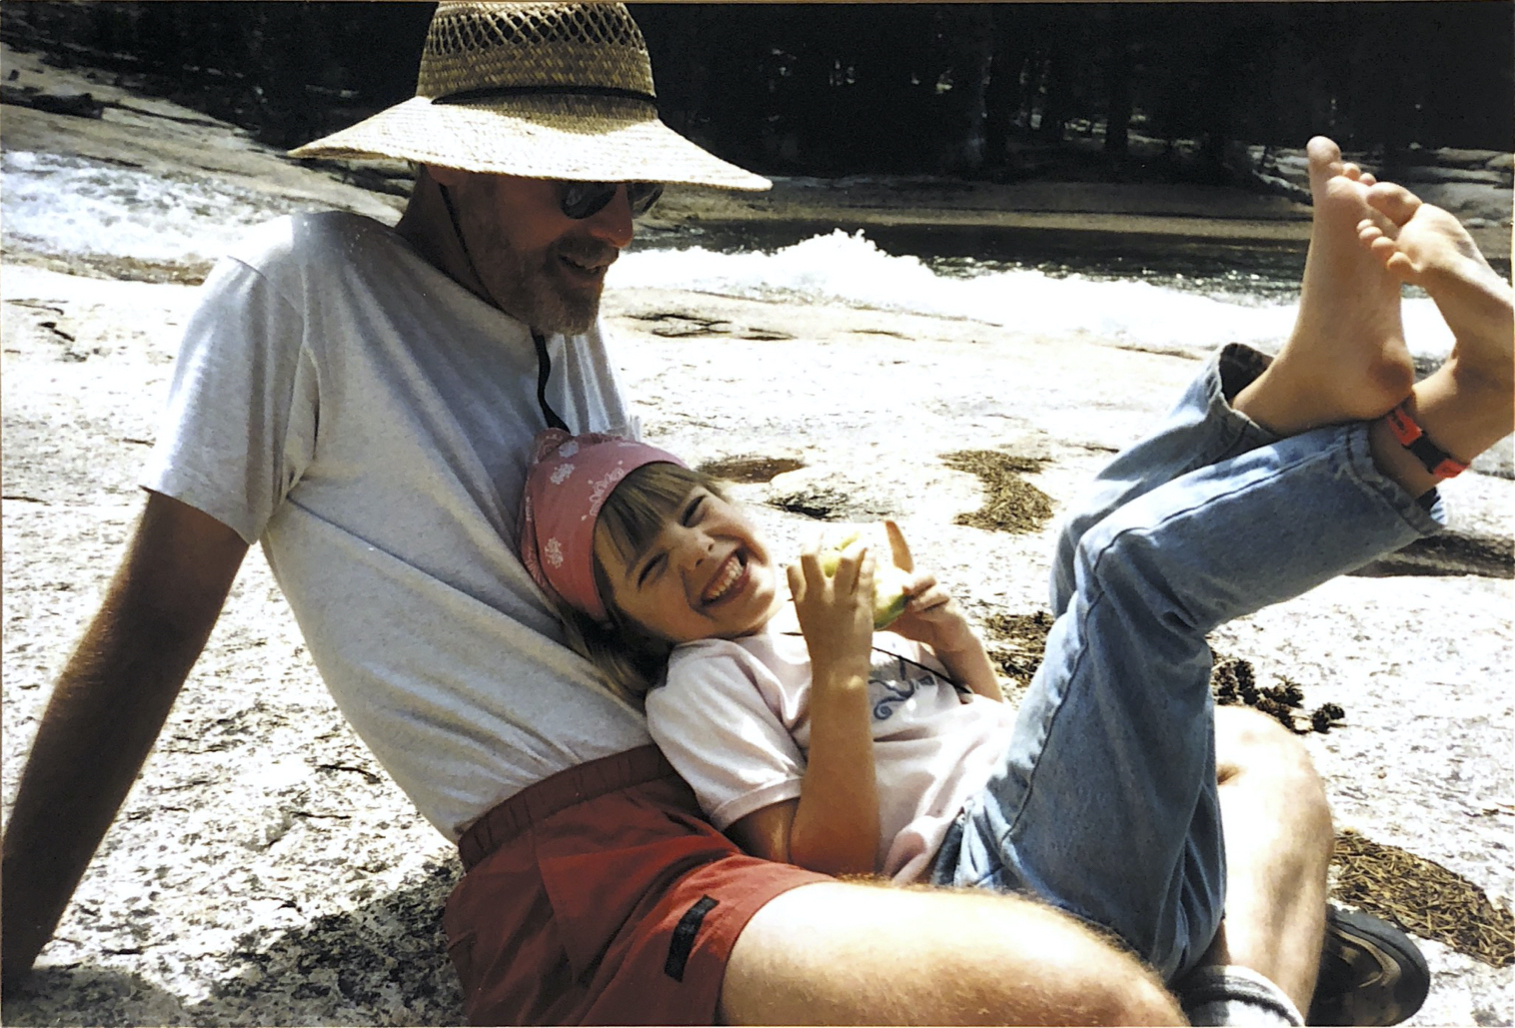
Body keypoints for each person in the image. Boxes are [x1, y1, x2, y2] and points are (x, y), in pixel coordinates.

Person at [0, 0, 1484, 1020]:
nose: (618, 233)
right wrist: (9, 951)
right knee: (1077, 995)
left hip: (735, 779)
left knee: (1252, 754)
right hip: (608, 857)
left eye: (634, 197)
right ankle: (1227, 961)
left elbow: (640, 557)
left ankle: (1293, 407)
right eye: (585, 195)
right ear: (455, 165)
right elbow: (153, 617)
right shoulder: (300, 290)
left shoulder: (547, 314)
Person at [515, 154, 1511, 1024]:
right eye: (653, 566)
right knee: (1131, 574)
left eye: (694, 510)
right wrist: (840, 673)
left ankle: (1309, 387)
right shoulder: (700, 685)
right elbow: (829, 871)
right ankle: (1445, 421)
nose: (695, 551)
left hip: (1061, 848)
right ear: (631, 625)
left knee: (1085, 539)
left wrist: (954, 647)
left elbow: (995, 739)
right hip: (997, 902)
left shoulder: (807, 614)